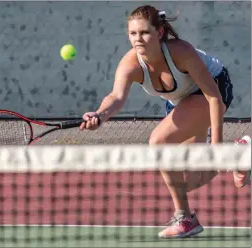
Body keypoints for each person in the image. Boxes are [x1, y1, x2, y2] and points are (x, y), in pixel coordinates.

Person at [79, 5, 251, 238]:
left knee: (159, 141)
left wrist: (216, 148)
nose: (138, 38)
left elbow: (214, 98)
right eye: (133, 33)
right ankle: (239, 156)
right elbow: (116, 97)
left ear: (159, 33)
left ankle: (185, 218)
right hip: (179, 102)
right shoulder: (131, 63)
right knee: (190, 180)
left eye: (144, 32)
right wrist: (99, 114)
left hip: (212, 91)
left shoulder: (181, 52)